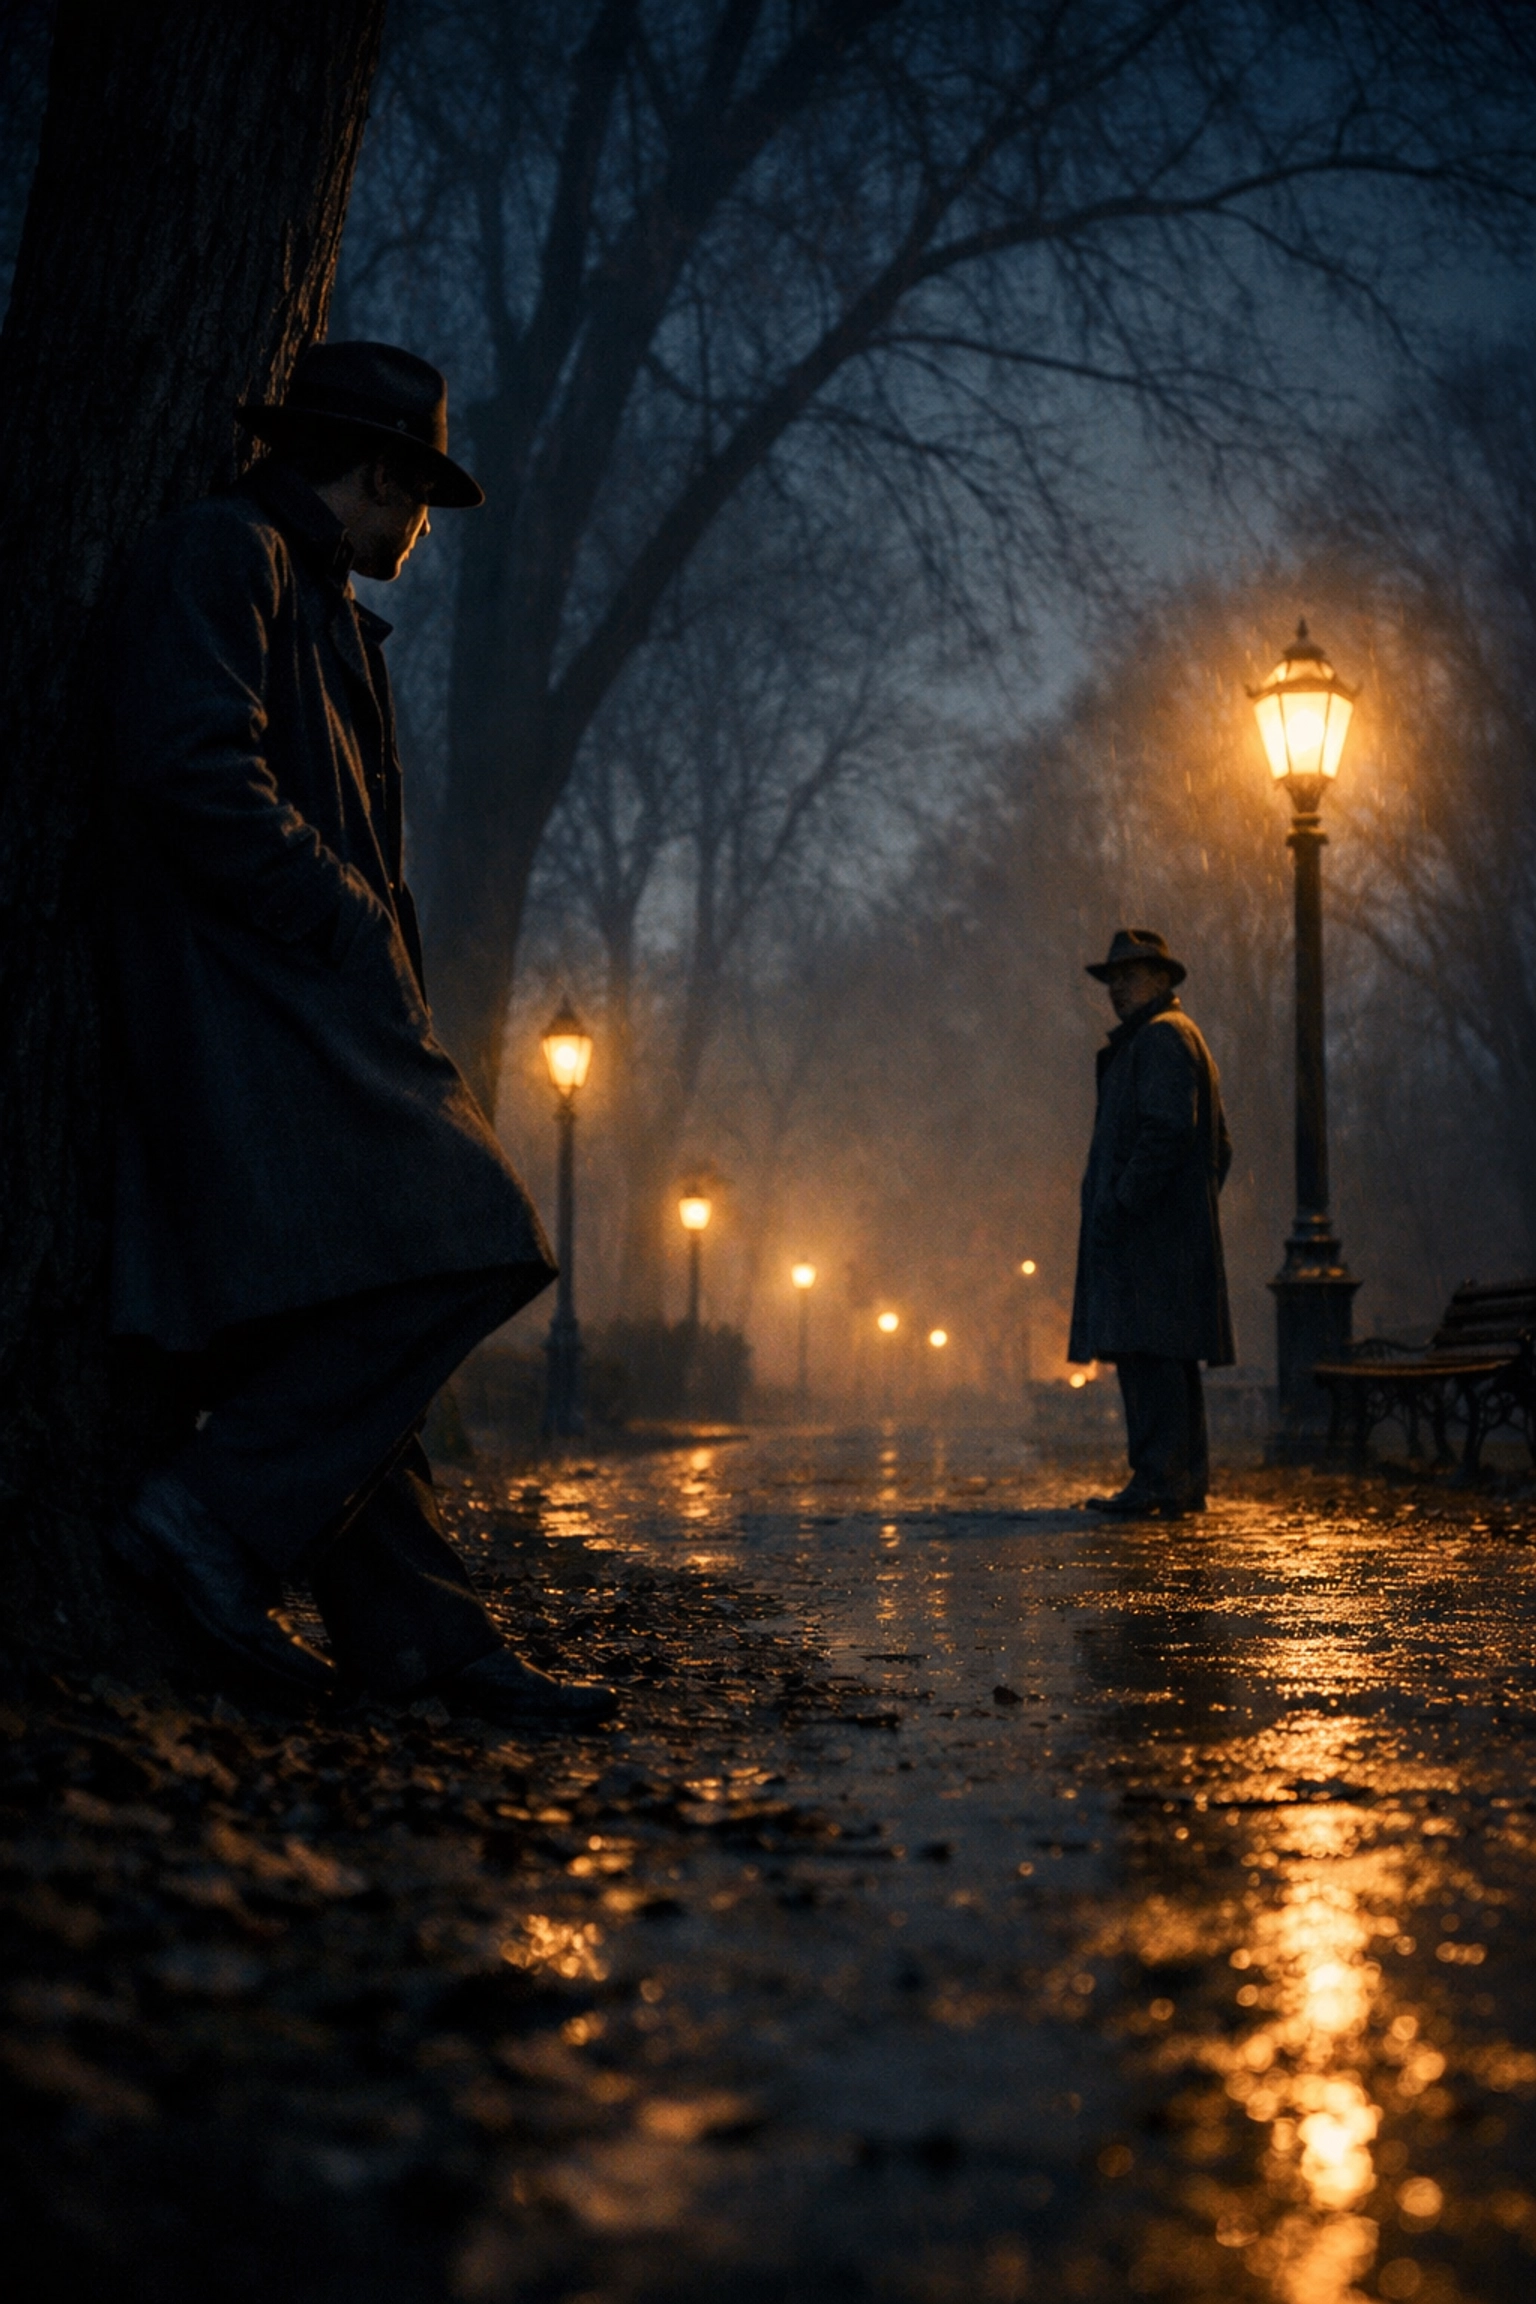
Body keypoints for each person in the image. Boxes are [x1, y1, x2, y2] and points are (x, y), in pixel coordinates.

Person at [103, 340, 613, 1725]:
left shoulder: (314, 597)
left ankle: (423, 1644)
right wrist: (337, 917)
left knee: (362, 1300)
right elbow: (187, 766)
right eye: (419, 496)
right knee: (476, 1235)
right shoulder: (229, 553)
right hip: (254, 1018)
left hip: (301, 1012)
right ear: (378, 470)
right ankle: (208, 1516)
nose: (422, 531)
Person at [1067, 928, 1234, 1516]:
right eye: (1112, 979)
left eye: (1129, 976)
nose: (1117, 989)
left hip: (1149, 1240)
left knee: (1148, 1357)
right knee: (1164, 1360)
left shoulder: (1160, 1040)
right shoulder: (1166, 1038)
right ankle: (1177, 1481)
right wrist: (1189, 1206)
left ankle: (1160, 1481)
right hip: (1165, 1238)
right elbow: (1220, 1148)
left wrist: (1125, 1203)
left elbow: (1169, 1132)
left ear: (1162, 980)